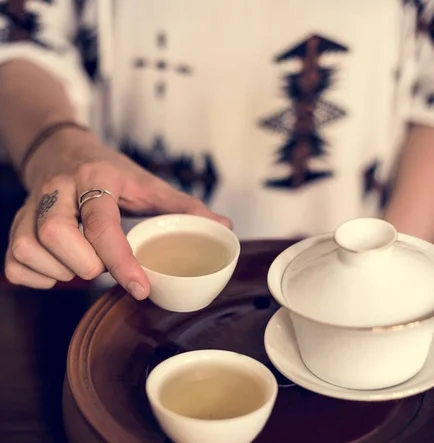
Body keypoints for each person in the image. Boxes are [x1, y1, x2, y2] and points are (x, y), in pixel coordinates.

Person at [1, 0, 434, 300]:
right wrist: (57, 148)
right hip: (132, 270)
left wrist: (386, 266)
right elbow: (17, 33)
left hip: (357, 248)